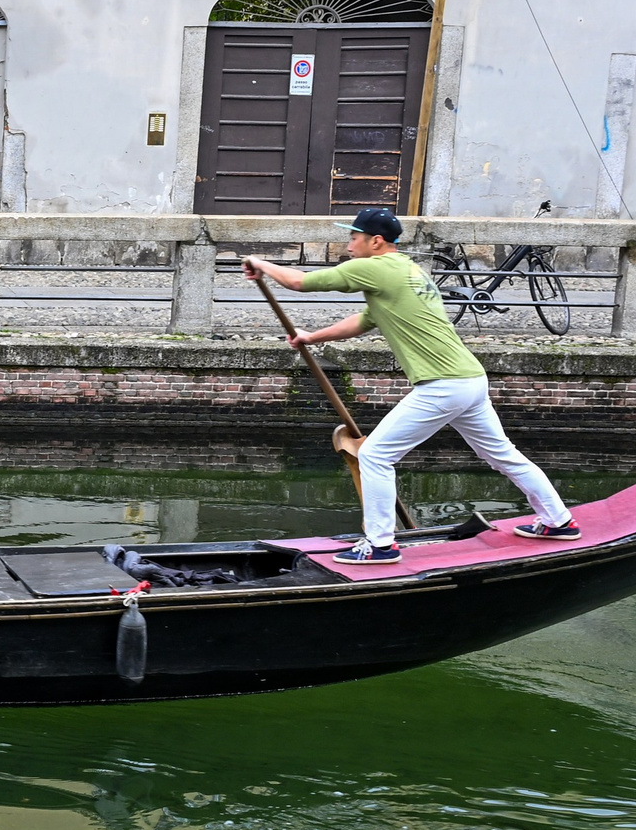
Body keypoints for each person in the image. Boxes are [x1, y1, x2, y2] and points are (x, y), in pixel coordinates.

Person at [245, 207, 577, 564]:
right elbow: (365, 320)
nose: (349, 243)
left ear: (375, 241)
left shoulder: (374, 267)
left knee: (374, 455)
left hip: (443, 385)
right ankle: (558, 521)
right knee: (501, 455)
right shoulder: (408, 270)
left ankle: (379, 545)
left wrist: (260, 263)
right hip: (470, 380)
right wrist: (313, 337)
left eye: (354, 237)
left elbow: (299, 283)